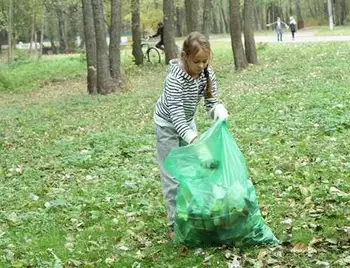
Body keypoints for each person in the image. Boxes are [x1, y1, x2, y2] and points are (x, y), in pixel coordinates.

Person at [154, 31, 228, 240]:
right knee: (172, 177)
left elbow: (211, 103)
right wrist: (197, 143)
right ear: (185, 56)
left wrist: (218, 112)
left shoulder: (206, 74)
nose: (202, 65)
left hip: (187, 123)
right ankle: (173, 225)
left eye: (205, 60)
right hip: (167, 126)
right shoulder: (174, 79)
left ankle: (192, 215)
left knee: (192, 172)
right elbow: (176, 117)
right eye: (197, 61)